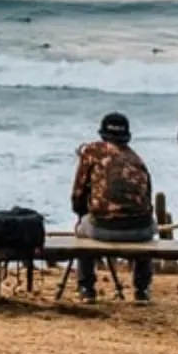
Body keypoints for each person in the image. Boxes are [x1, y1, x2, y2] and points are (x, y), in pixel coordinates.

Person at [70, 112, 156, 304]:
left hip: (104, 228)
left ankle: (87, 288)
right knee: (148, 228)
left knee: (82, 230)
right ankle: (142, 289)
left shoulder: (92, 151)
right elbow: (148, 199)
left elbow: (78, 194)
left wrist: (82, 213)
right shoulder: (137, 159)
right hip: (141, 230)